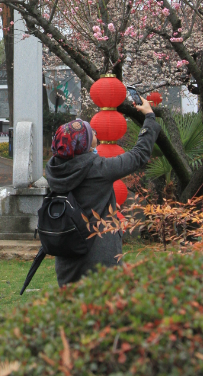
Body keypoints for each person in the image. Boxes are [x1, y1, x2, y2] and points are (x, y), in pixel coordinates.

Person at [45, 97, 160, 287]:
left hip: (68, 258)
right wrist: (149, 117)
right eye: (91, 135)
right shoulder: (98, 169)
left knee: (72, 310)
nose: (96, 135)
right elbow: (139, 155)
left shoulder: (54, 171)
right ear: (85, 144)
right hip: (101, 257)